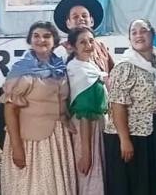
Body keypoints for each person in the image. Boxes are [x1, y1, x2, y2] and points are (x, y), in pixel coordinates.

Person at [0, 21, 76, 195]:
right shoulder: (21, 70)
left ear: (55, 41)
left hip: (57, 138)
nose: (41, 40)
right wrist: (17, 147)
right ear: (30, 40)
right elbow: (10, 110)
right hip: (30, 142)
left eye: (46, 36)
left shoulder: (60, 67)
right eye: (36, 36)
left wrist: (67, 122)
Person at [104, 19, 156, 195]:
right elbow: (117, 105)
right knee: (133, 186)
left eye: (143, 31)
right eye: (134, 32)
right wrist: (125, 140)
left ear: (152, 35)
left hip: (153, 132)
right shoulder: (125, 66)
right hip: (130, 136)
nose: (139, 35)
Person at [67, 27, 109, 195]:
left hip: (98, 127)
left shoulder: (91, 67)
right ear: (73, 47)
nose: (88, 45)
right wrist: (86, 153)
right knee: (89, 176)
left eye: (91, 41)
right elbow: (83, 114)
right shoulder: (77, 71)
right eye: (82, 42)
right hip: (86, 130)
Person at [53, 0, 114, 72]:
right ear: (68, 23)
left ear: (91, 21)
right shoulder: (61, 51)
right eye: (75, 17)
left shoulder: (101, 48)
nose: (81, 19)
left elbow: (113, 72)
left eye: (84, 16)